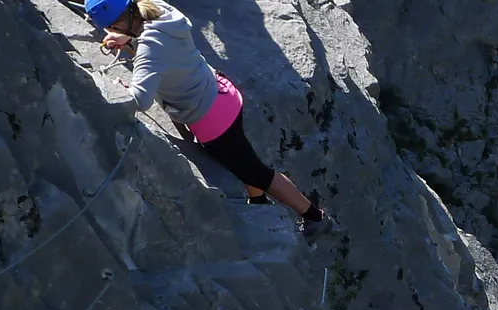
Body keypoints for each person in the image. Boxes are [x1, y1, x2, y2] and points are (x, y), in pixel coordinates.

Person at [85, 0, 330, 238]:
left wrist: (119, 88)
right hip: (220, 90)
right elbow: (151, 36)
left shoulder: (151, 45)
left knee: (257, 172)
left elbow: (140, 99)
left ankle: (315, 218)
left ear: (123, 21)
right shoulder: (160, 10)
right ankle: (257, 200)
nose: (113, 32)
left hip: (210, 118)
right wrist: (127, 36)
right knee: (242, 156)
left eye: (113, 28)